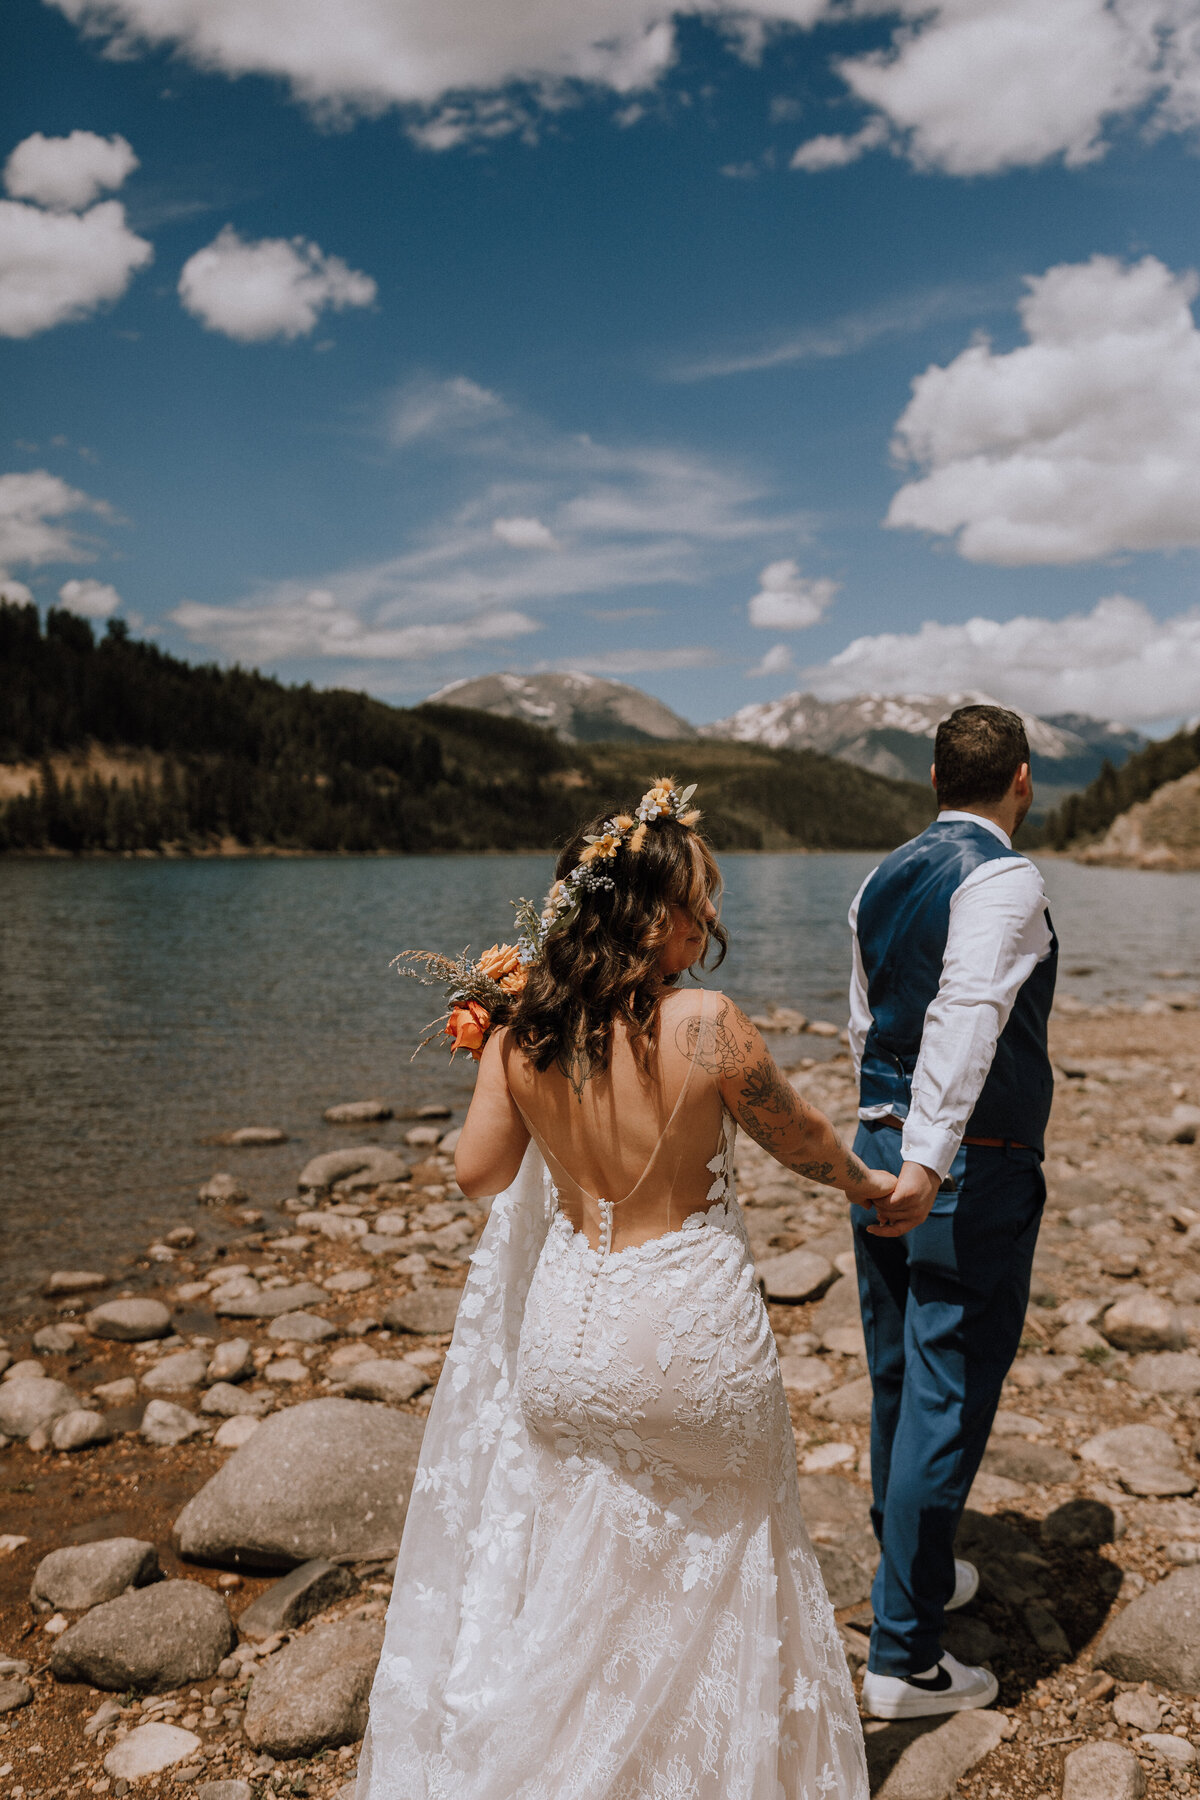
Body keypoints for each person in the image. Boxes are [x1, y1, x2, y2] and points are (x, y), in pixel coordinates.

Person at [357, 779, 893, 1800]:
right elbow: (802, 1138)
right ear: (651, 917)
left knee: (587, 1567)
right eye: (698, 901)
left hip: (568, 1334)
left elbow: (478, 1173)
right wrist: (874, 1187)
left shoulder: (522, 1037)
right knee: (727, 1559)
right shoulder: (706, 1023)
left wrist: (503, 1054)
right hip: (689, 1331)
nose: (710, 922)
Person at [846, 705, 1057, 1720]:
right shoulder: (1007, 877)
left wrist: (885, 1143)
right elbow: (967, 1013)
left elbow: (865, 1020)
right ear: (1021, 779)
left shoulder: (878, 877)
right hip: (965, 1167)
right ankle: (907, 1656)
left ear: (933, 776)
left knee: (898, 1376)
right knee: (945, 1390)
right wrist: (930, 1160)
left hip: (879, 1143)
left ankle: (913, 1582)